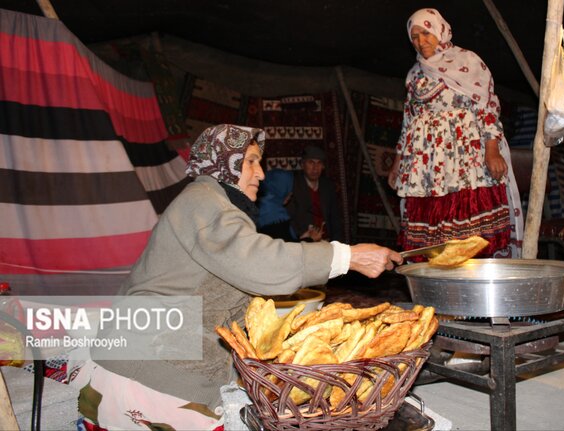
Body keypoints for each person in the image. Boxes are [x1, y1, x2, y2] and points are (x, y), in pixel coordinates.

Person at [69, 124, 402, 430]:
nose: (261, 173)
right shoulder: (203, 202)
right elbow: (260, 263)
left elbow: (235, 288)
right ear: (223, 164)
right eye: (252, 162)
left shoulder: (216, 206)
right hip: (149, 375)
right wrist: (349, 256)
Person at [387, 8, 523, 259]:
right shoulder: (414, 74)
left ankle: (473, 286)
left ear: (439, 31)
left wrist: (491, 149)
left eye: (426, 33)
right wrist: (398, 163)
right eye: (414, 36)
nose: (421, 41)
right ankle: (438, 285)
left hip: (464, 160)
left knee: (470, 235)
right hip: (427, 166)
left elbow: (487, 106)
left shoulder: (467, 61)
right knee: (432, 239)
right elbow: (409, 121)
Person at [287, 145, 345, 242]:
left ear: (323, 166)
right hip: (304, 242)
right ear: (302, 164)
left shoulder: (327, 186)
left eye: (319, 163)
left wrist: (337, 243)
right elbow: (290, 219)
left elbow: (335, 219)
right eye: (311, 162)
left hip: (326, 241)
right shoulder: (293, 186)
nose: (315, 168)